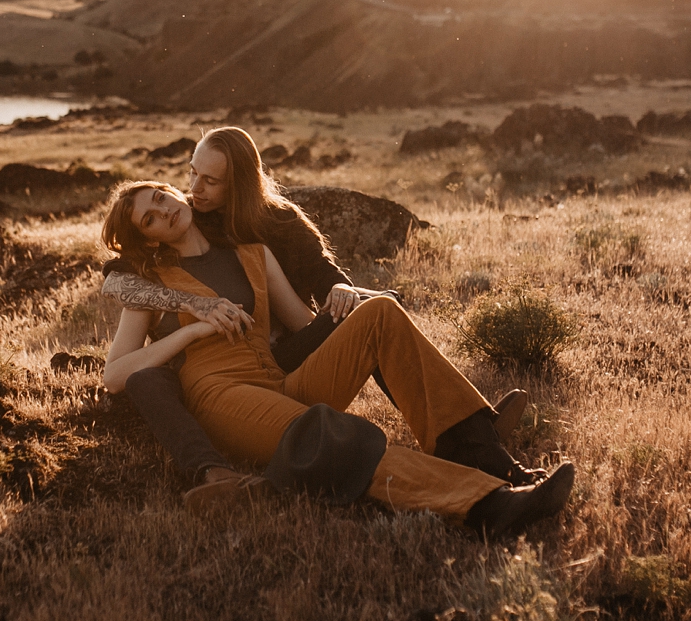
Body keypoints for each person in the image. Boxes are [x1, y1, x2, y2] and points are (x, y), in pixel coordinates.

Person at [100, 180, 575, 537]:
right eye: (149, 219)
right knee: (328, 430)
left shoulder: (252, 252)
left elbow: (307, 325)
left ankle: (483, 456)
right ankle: (490, 505)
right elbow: (116, 375)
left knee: (381, 312)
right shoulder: (151, 284)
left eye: (161, 197)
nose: (164, 211)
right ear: (149, 239)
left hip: (279, 377)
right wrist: (197, 327)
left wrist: (350, 297)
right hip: (222, 396)